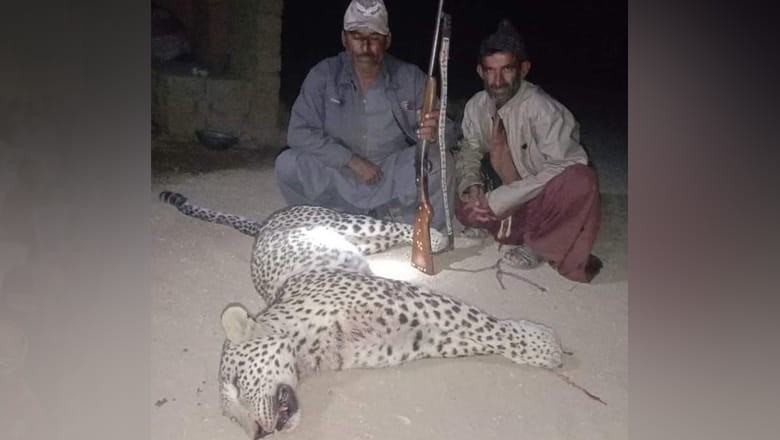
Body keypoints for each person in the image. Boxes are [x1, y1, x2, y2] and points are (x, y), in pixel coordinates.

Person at [275, 0, 457, 235]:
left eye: (375, 37)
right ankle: (326, 220)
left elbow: (451, 132)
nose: (365, 46)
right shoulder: (323, 75)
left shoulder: (409, 77)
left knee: (440, 161)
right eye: (357, 36)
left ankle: (430, 235)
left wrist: (436, 133)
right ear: (344, 39)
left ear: (387, 41)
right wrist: (350, 159)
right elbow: (298, 133)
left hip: (389, 173)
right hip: (342, 171)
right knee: (288, 164)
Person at [455, 19, 603, 283]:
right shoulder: (476, 106)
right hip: (509, 192)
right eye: (490, 71)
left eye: (507, 70)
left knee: (581, 180)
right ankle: (496, 222)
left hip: (540, 196)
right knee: (459, 193)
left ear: (523, 69)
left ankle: (537, 245)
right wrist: (472, 184)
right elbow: (470, 149)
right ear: (480, 71)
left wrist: (501, 198)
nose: (498, 80)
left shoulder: (543, 109)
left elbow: (566, 165)